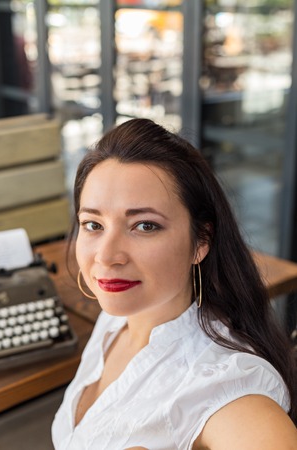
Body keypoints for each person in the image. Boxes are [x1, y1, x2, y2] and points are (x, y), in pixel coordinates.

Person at [52, 118, 297, 449]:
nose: (107, 257)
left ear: (201, 242)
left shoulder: (226, 385)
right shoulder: (119, 315)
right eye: (93, 224)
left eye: (145, 226)